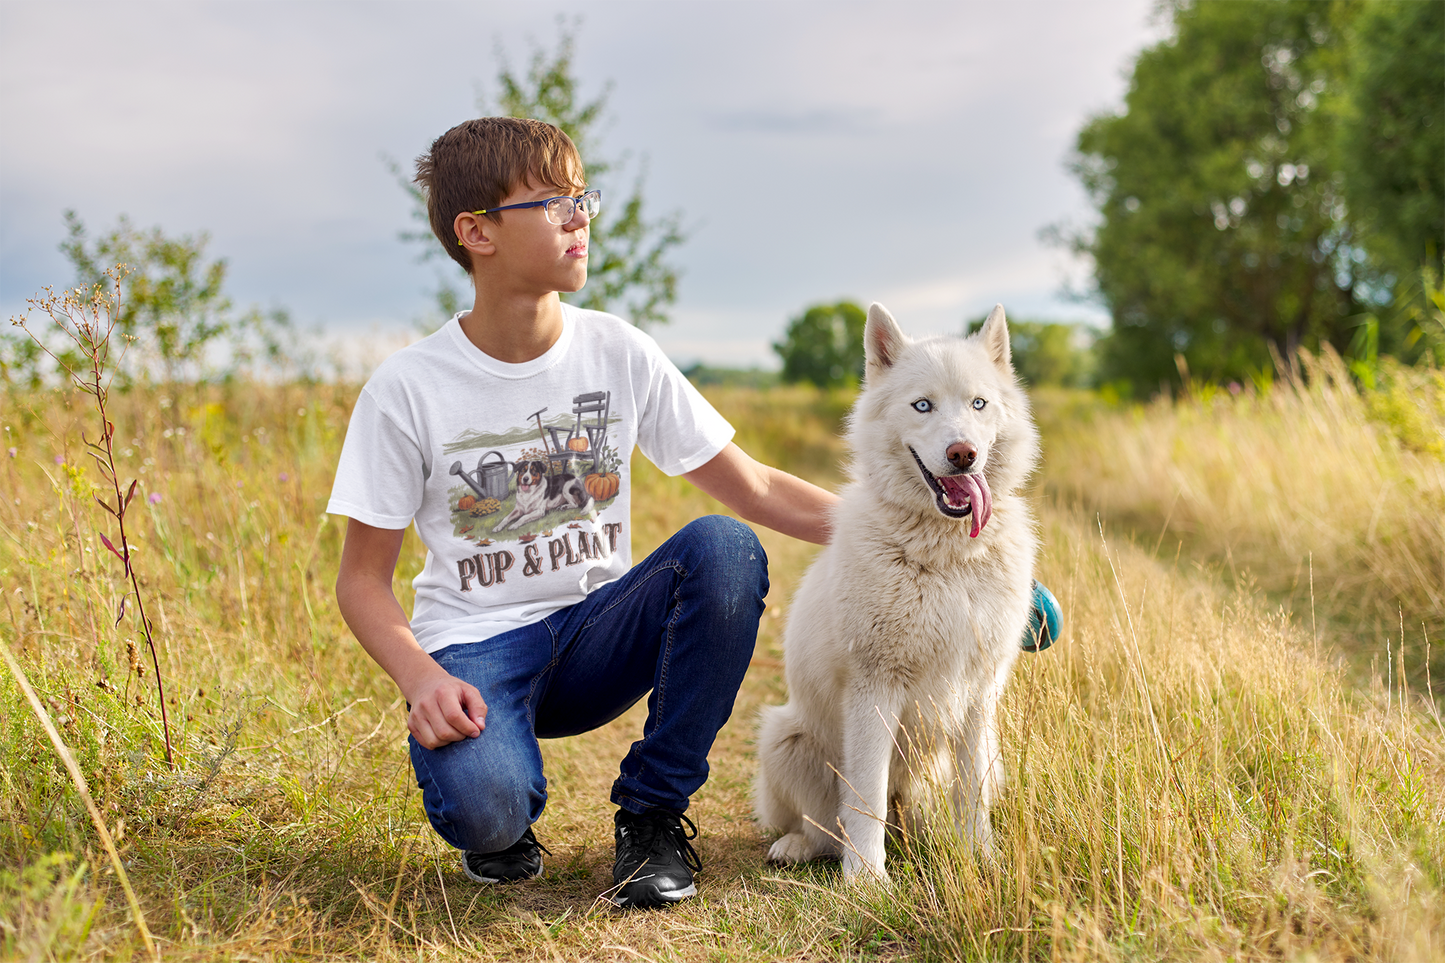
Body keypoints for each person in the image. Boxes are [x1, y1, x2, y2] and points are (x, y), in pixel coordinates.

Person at [328, 116, 837, 910]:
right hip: (475, 652)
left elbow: (760, 490)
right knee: (488, 811)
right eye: (553, 201)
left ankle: (652, 816)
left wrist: (926, 535)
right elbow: (362, 582)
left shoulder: (618, 351)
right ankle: (500, 815)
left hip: (597, 635)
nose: (580, 217)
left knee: (723, 547)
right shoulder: (407, 388)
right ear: (477, 232)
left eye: (583, 196)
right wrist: (421, 678)